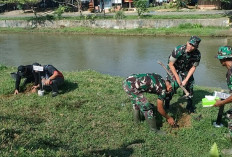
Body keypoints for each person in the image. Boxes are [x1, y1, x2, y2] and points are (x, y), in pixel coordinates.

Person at [165, 36, 201, 113]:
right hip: (174, 66)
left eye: (193, 46)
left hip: (187, 68)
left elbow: (193, 67)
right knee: (172, 84)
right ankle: (167, 103)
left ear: (196, 47)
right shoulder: (178, 50)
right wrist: (177, 78)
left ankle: (189, 105)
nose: (190, 47)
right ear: (187, 42)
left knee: (190, 84)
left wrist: (186, 79)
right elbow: (171, 64)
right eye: (190, 44)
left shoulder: (197, 54)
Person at [214, 46, 232, 148]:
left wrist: (220, 103)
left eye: (220, 58)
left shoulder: (230, 73)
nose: (219, 60)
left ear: (223, 59)